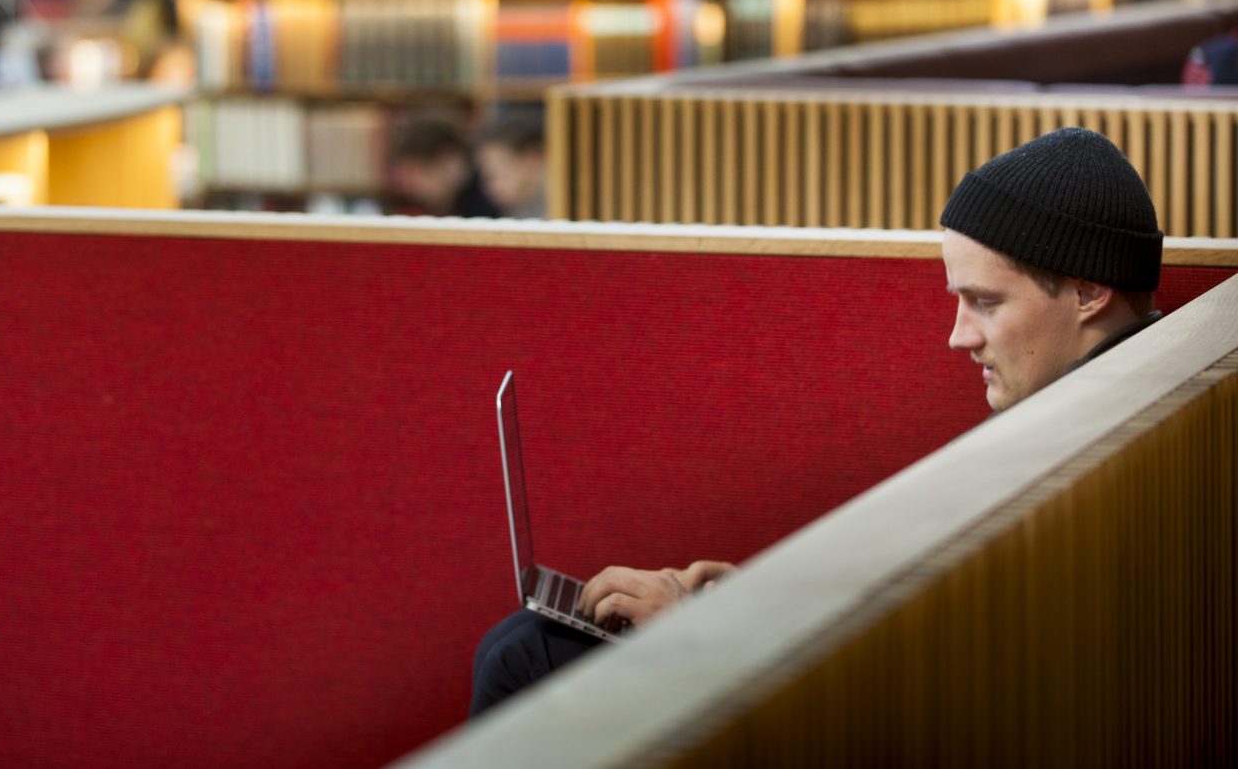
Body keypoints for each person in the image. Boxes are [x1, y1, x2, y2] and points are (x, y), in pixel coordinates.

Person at [470, 127, 1164, 716]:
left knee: (524, 655)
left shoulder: (1089, 465)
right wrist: (746, 598)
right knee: (525, 642)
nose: (958, 336)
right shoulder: (1105, 404)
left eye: (984, 301)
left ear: (1089, 290)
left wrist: (707, 634)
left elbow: (943, 682)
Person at [388, 115, 501, 219]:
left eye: (420, 172)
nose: (412, 185)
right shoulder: (441, 203)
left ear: (448, 161)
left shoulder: (492, 196)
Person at [475, 116, 548, 219]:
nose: (489, 187)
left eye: (495, 175)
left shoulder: (565, 207)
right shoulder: (517, 207)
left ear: (533, 159)